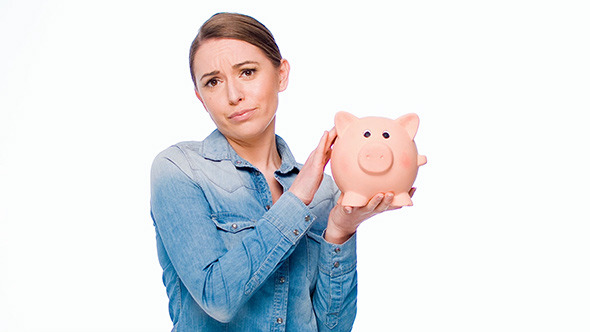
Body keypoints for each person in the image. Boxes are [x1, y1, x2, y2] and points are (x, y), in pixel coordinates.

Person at [150, 12, 410, 331]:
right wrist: (297, 198)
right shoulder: (180, 170)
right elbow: (216, 297)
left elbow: (332, 327)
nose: (234, 96)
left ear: (281, 74)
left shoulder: (325, 193)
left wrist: (340, 232)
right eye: (213, 82)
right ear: (201, 98)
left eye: (247, 72)